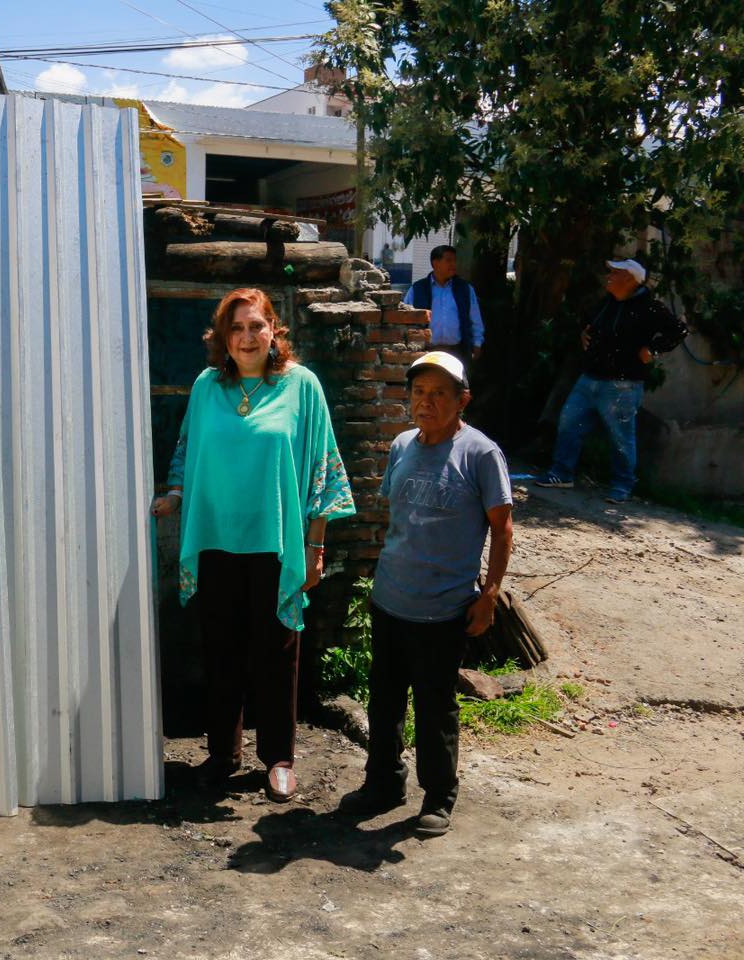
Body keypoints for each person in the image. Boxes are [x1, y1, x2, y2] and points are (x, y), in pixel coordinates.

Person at [151, 288, 355, 802]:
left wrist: (315, 544)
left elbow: (322, 471)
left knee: (277, 652)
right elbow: (187, 449)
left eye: (256, 326)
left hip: (276, 542)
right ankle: (224, 752)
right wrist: (175, 494)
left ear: (274, 331)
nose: (247, 337)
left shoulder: (301, 386)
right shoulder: (206, 387)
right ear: (223, 337)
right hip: (218, 538)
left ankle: (279, 758)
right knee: (220, 650)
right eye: (236, 329)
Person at [337, 351, 513, 837]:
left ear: (462, 400)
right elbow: (398, 519)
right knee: (384, 700)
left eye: (439, 394)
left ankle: (438, 796)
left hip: (443, 610)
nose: (426, 402)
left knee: (435, 709)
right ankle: (384, 783)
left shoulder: (480, 454)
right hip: (391, 600)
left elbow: (502, 530)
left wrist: (489, 594)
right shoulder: (402, 446)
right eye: (418, 392)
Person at [535, 259, 687, 503]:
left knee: (621, 436)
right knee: (569, 423)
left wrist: (653, 349)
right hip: (590, 377)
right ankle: (562, 473)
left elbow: (678, 330)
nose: (609, 276)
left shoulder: (649, 308)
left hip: (623, 384)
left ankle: (622, 485)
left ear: (629, 279)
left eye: (615, 273)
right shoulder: (607, 302)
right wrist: (584, 333)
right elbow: (587, 321)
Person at [403, 245, 484, 366]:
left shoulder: (465, 289)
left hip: (458, 351)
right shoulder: (418, 289)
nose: (453, 265)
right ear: (435, 263)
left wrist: (477, 343)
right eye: (449, 260)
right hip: (426, 351)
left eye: (454, 261)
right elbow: (405, 319)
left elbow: (475, 319)